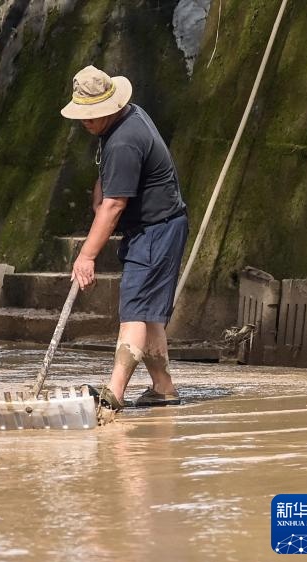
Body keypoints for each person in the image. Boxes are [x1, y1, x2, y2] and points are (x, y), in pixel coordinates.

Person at [60, 65, 189, 411]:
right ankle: (163, 388)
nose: (85, 121)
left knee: (133, 310)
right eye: (82, 115)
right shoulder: (123, 120)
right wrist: (100, 197)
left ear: (111, 106)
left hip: (155, 230)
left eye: (92, 115)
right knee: (148, 314)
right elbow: (109, 183)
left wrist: (86, 256)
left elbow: (115, 205)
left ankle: (112, 395)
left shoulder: (125, 140)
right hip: (159, 226)